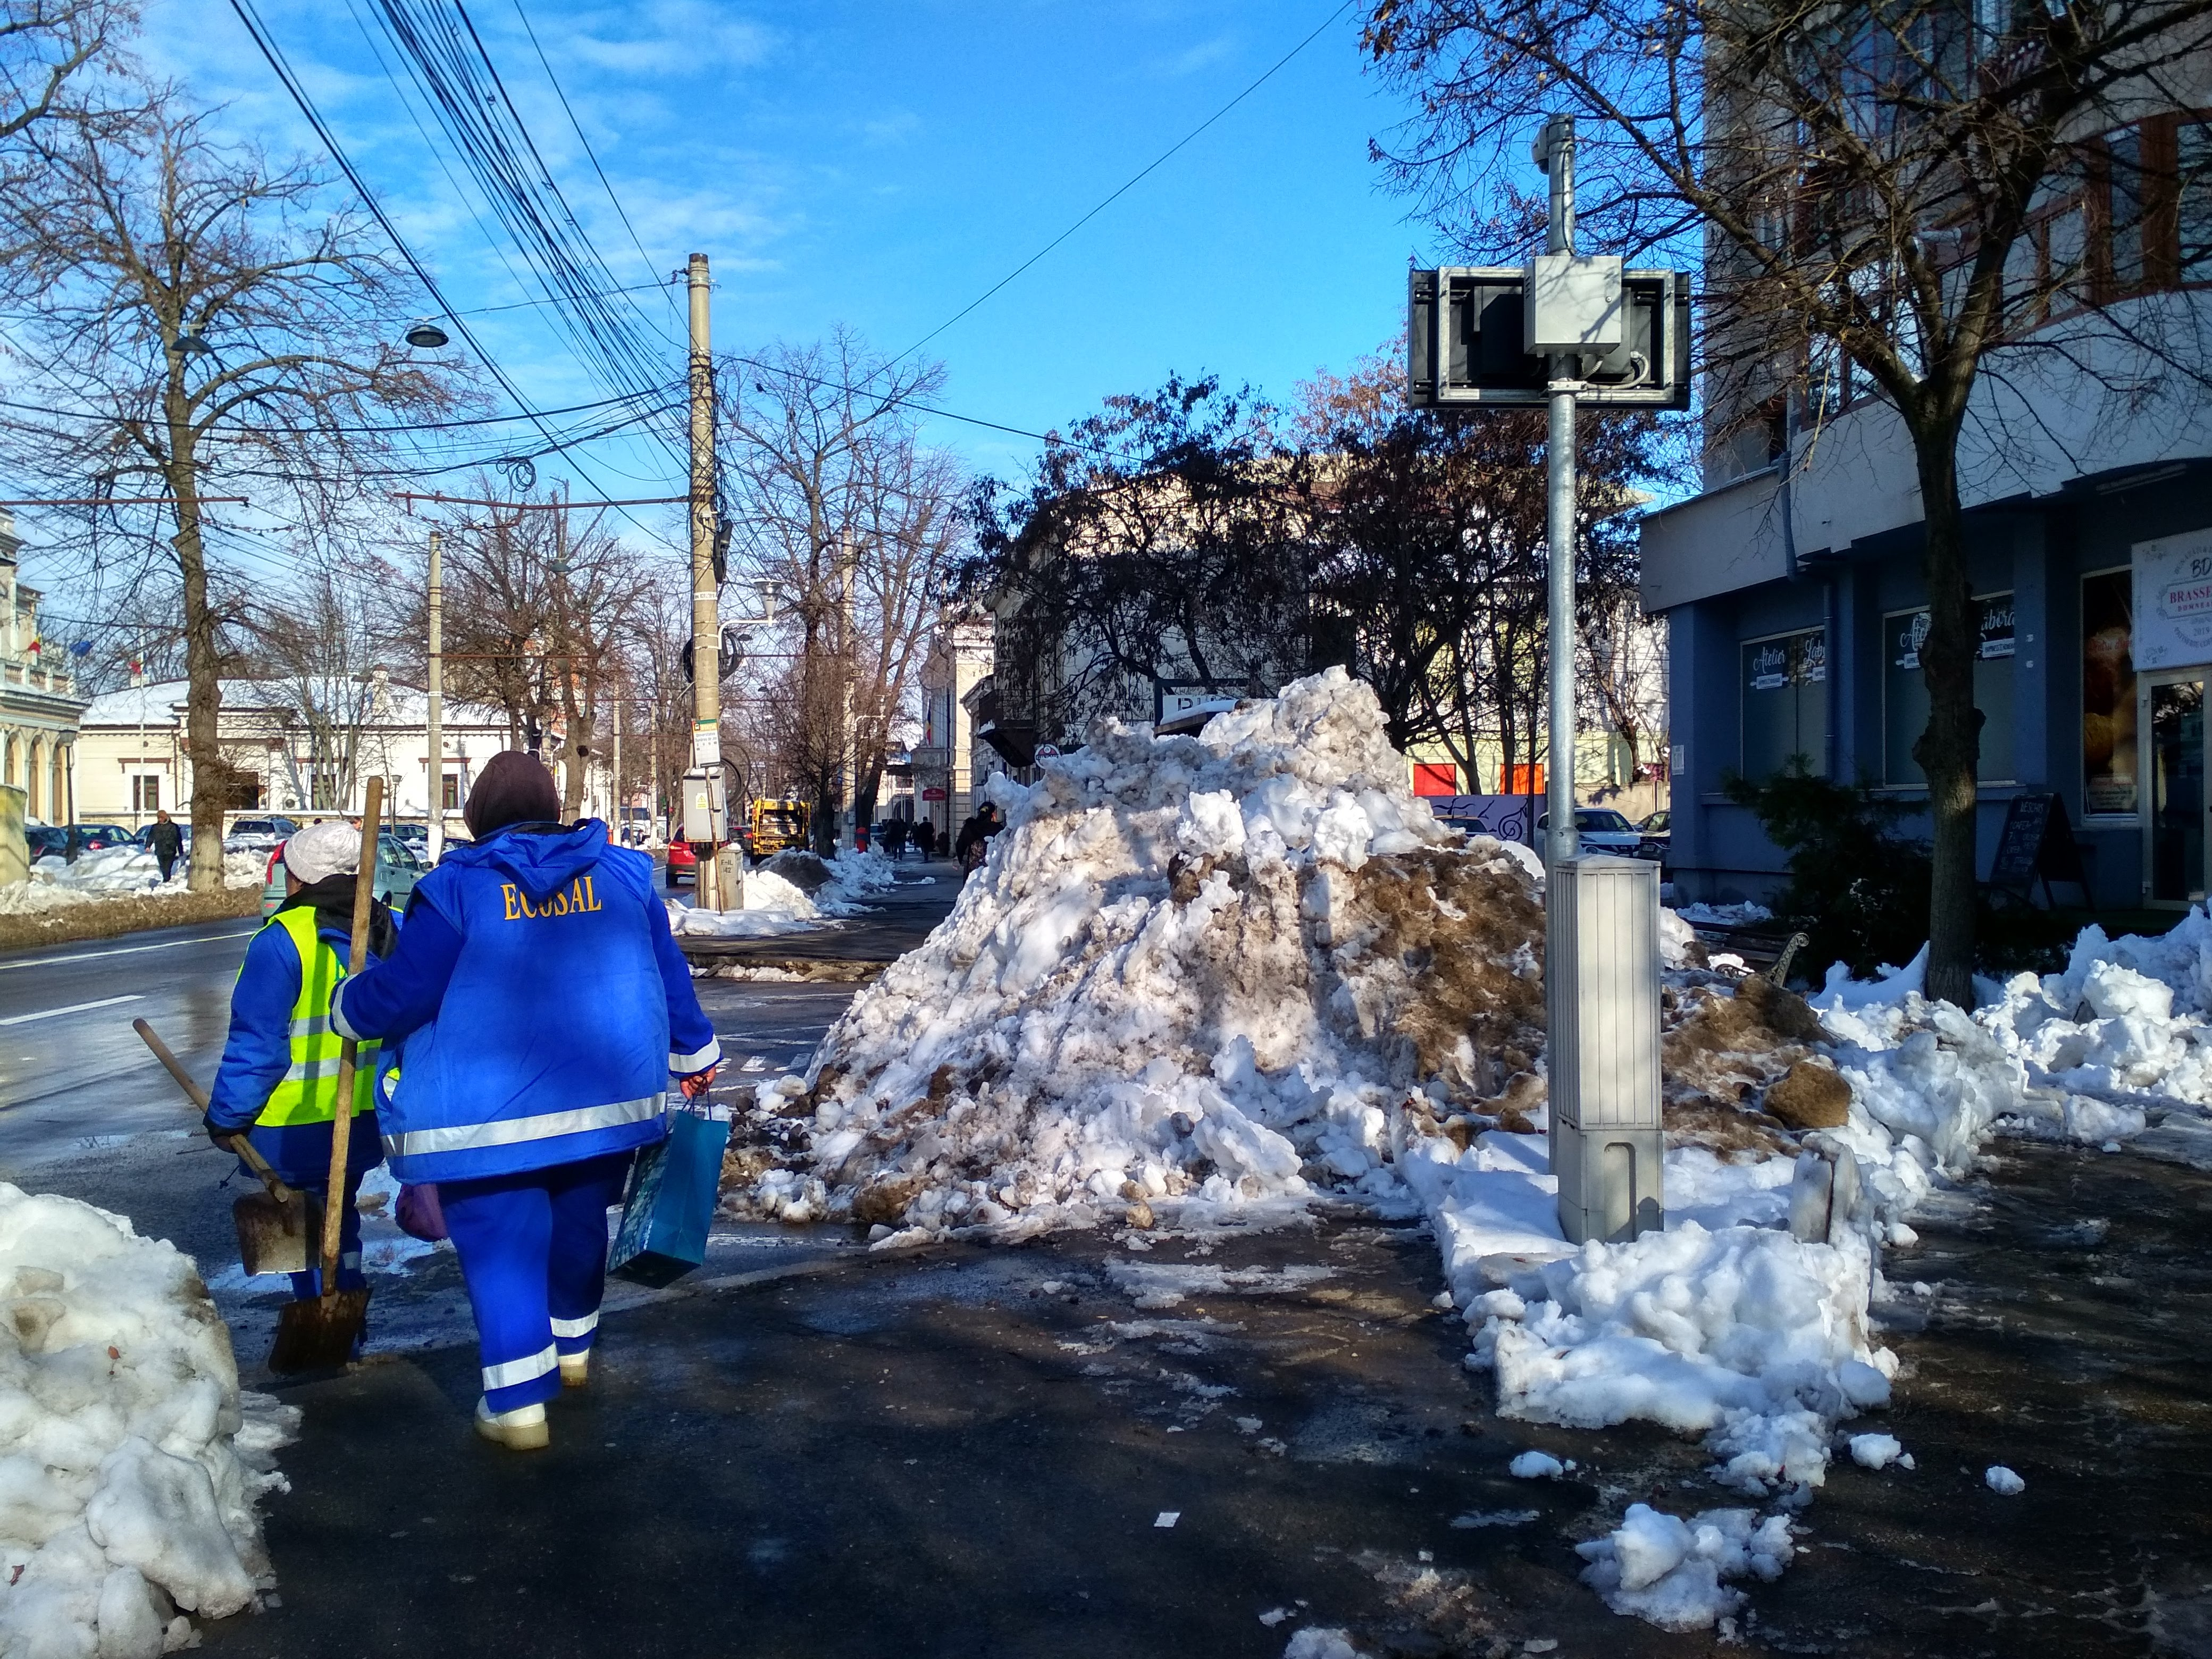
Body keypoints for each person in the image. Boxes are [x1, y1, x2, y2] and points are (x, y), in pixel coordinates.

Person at [332, 750, 719, 1452]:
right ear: (551, 802)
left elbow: (404, 994)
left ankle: (517, 1409)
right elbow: (669, 974)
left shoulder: (456, 889)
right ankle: (572, 1355)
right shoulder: (625, 875)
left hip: (485, 1119)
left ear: (477, 811)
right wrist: (695, 1055)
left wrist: (346, 1008)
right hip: (604, 1104)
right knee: (579, 1225)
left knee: (503, 1247)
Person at [205, 819, 396, 1308]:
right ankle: (347, 1311)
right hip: (363, 1120)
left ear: (300, 878)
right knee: (341, 1218)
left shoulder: (281, 941)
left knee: (305, 1236)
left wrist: (228, 1117)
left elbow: (258, 1045)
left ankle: (322, 1319)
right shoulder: (386, 928)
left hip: (294, 1127)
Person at [953, 802, 1003, 875]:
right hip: (991, 865)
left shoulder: (970, 826)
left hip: (973, 865)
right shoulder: (998, 829)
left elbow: (960, 844)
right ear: (992, 814)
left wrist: (960, 859)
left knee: (972, 883)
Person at [147, 809, 183, 883]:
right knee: (162, 867)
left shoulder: (173, 827)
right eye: (158, 818)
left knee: (167, 866)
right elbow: (150, 837)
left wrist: (180, 851)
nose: (160, 820)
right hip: (160, 850)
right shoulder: (155, 828)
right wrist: (148, 846)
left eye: (161, 818)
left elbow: (178, 839)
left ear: (165, 818)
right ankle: (166, 878)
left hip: (170, 850)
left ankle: (166, 879)